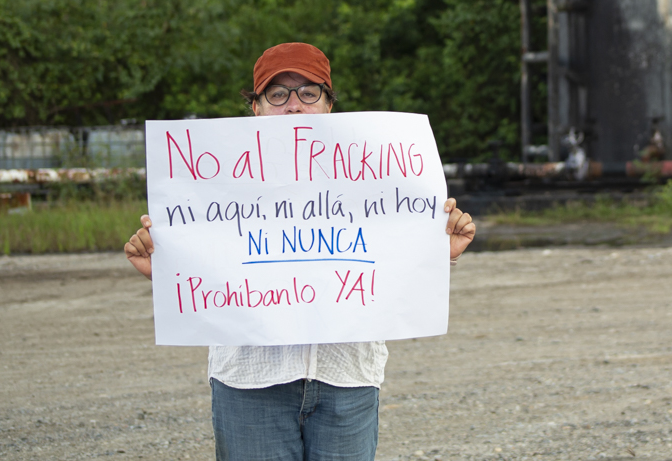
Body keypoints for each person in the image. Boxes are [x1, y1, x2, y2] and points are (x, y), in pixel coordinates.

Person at [124, 42, 476, 461]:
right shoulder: (213, 181)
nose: (293, 106)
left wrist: (438, 249)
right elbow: (213, 265)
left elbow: (388, 257)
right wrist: (166, 267)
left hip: (347, 377)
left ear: (329, 104)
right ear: (255, 107)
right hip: (250, 385)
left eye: (308, 92)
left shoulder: (374, 171)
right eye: (277, 94)